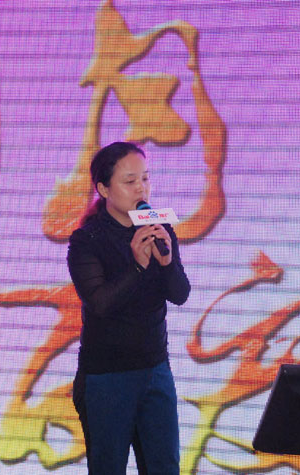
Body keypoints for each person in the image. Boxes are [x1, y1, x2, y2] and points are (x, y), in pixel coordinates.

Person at [67, 142, 190, 474]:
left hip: (155, 369)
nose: (141, 189)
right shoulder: (87, 240)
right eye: (130, 181)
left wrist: (166, 263)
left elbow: (180, 294)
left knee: (165, 466)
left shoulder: (159, 228)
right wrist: (137, 266)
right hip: (107, 378)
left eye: (146, 179)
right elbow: (100, 303)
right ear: (104, 189)